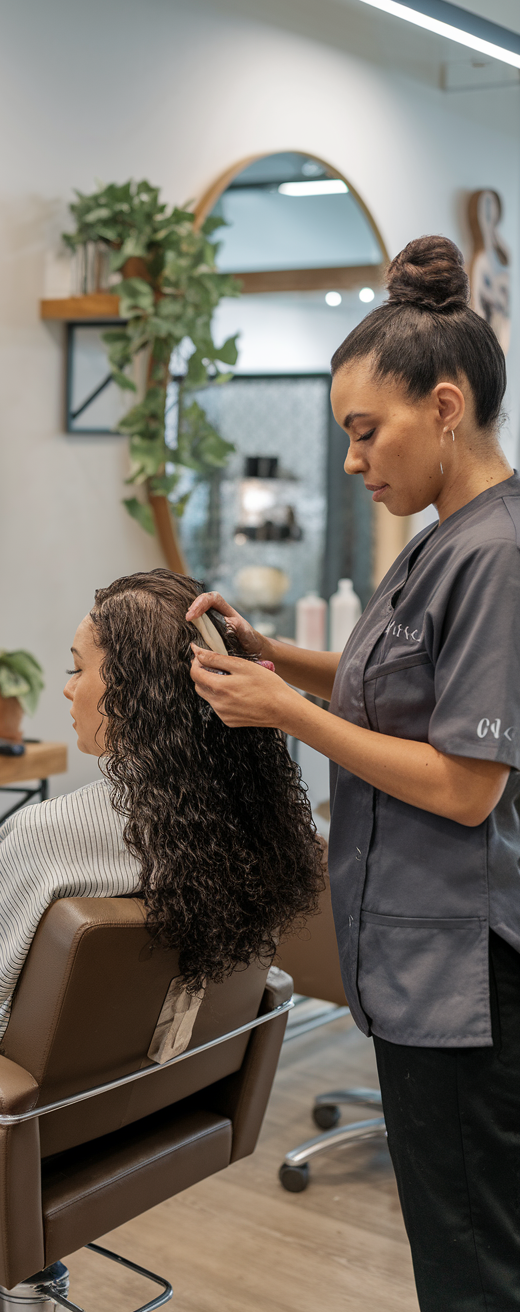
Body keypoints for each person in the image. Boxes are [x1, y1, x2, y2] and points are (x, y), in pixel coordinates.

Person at [187, 235, 520, 1311]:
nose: (351, 460)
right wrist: (281, 656)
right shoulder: (442, 539)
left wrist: (287, 713)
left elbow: (466, 785)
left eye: (364, 430)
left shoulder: (496, 554)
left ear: (445, 405)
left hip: (466, 972)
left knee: (471, 1257)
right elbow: (397, 687)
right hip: (417, 950)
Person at [0, 568, 322, 1049]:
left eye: (77, 670)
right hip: (163, 1095)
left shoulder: (48, 836)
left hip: (8, 1105)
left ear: (135, 688)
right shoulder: (252, 816)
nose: (68, 689)